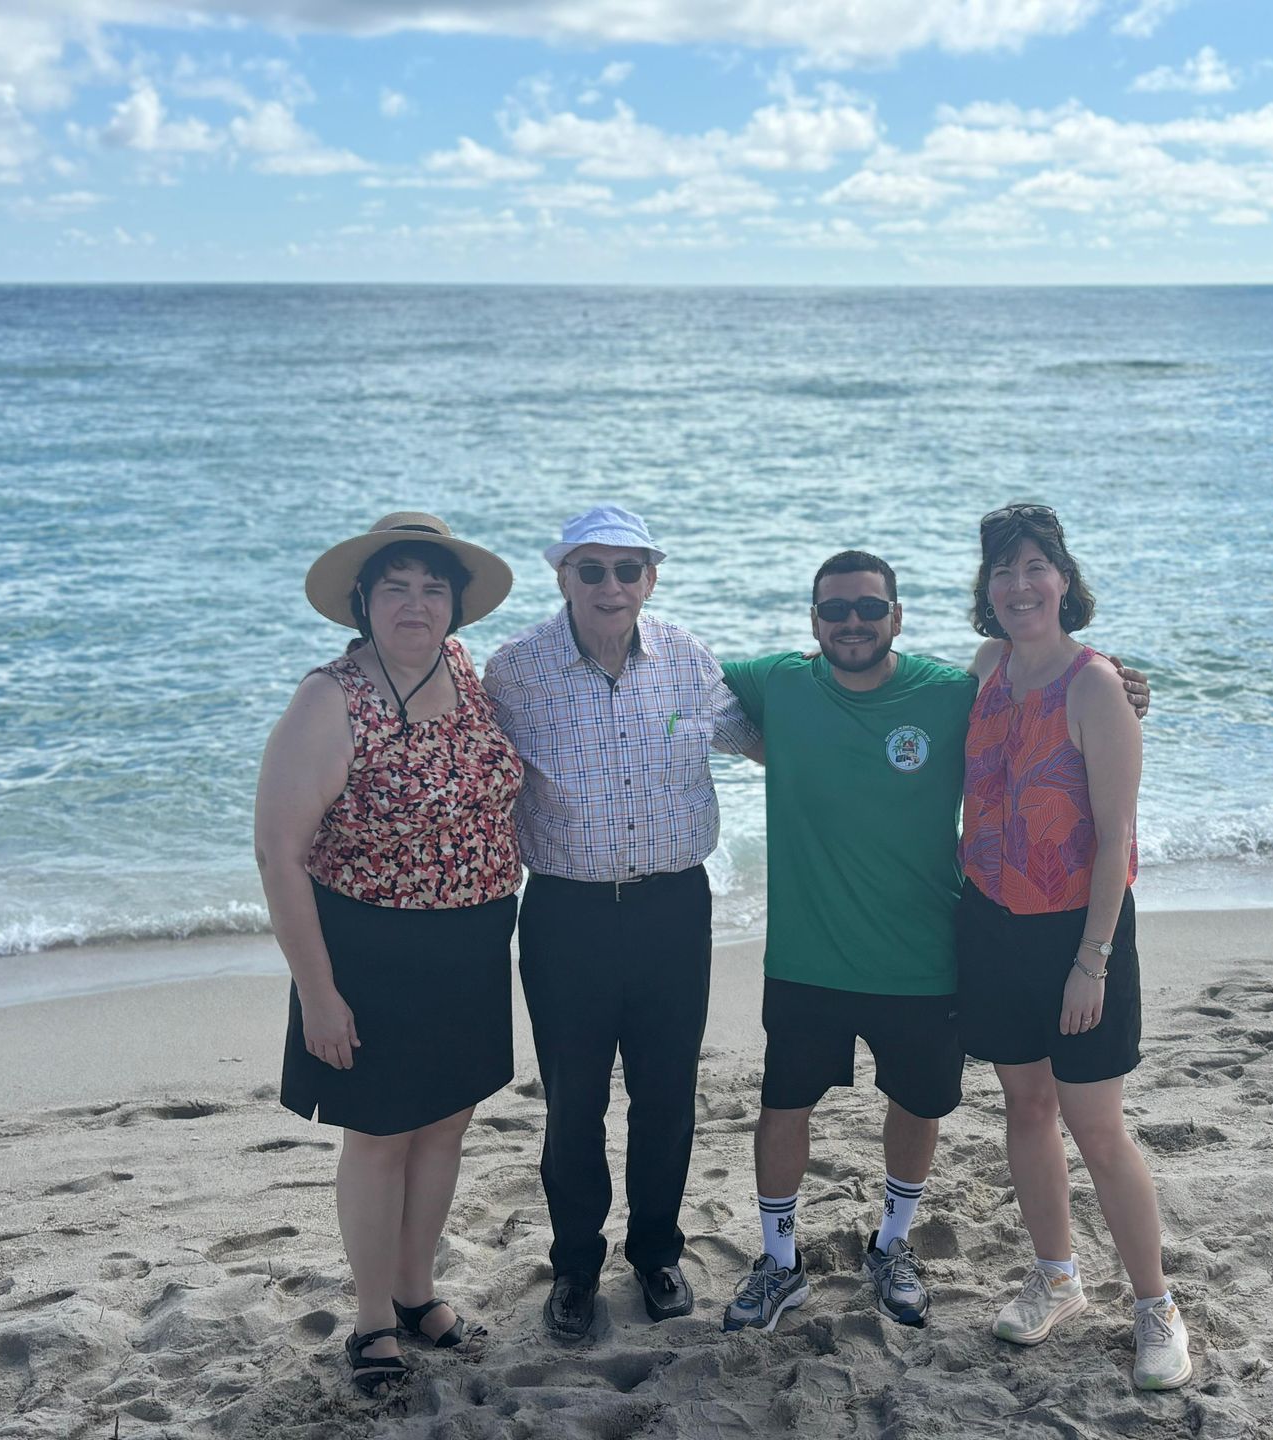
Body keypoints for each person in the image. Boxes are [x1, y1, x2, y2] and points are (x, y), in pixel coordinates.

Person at [716, 553, 1151, 1335]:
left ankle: (894, 1245)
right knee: (784, 1106)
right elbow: (678, 686)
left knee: (918, 1105)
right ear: (814, 622)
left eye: (869, 608)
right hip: (809, 957)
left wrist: (1123, 688)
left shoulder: (953, 691)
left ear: (899, 615)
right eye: (835, 610)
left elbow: (1055, 695)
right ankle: (780, 1262)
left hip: (925, 955)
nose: (853, 622)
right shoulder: (780, 681)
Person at [256, 512, 523, 1397]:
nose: (416, 603)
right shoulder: (330, 698)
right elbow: (278, 855)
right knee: (378, 1136)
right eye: (397, 586)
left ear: (455, 605)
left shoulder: (463, 671)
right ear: (362, 601)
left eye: (432, 587)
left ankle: (416, 1294)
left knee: (446, 1121)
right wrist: (319, 995)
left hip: (474, 940)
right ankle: (372, 1320)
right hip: (369, 949)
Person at [482, 505, 759, 1341]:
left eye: (628, 569)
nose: (611, 586)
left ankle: (656, 1253)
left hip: (675, 906)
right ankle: (574, 1268)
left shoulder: (686, 658)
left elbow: (769, 734)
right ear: (561, 576)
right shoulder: (513, 671)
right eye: (592, 569)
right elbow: (443, 742)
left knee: (669, 1095)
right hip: (566, 914)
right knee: (572, 1105)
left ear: (652, 577)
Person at [955, 502, 1188, 1390]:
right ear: (987, 589)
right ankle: (1056, 1277)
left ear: (1064, 579)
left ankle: (1156, 1305)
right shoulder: (985, 668)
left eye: (1034, 567)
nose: (1019, 586)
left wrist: (1091, 960)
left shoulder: (1097, 687)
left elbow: (1115, 837)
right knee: (1026, 1110)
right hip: (991, 922)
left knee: (1096, 1125)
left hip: (1078, 933)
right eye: (1002, 571)